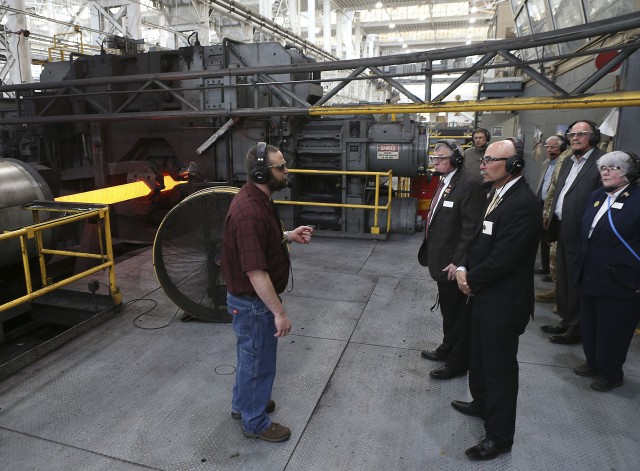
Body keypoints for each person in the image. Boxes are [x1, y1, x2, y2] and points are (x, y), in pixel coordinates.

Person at [453, 138, 541, 461]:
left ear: (514, 165)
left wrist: (469, 280)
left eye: (490, 160)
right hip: (482, 296)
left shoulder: (522, 204)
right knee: (478, 358)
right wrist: (463, 266)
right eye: (484, 159)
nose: (483, 164)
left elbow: (505, 259)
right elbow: (478, 237)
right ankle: (481, 403)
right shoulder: (496, 194)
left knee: (500, 371)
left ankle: (500, 436)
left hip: (502, 304)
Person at [221, 142, 313, 443]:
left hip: (249, 303)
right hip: (253, 305)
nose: (286, 172)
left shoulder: (258, 200)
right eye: (280, 167)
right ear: (261, 172)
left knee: (249, 356)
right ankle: (255, 422)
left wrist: (287, 235)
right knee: (258, 362)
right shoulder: (248, 212)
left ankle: (243, 404)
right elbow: (256, 272)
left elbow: (262, 240)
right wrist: (279, 313)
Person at [573, 151, 640, 392]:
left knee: (613, 330)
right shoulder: (597, 196)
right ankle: (593, 362)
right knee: (590, 324)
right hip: (591, 273)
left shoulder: (637, 199)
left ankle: (611, 373)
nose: (606, 172)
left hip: (621, 279)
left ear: (630, 172)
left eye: (614, 167)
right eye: (603, 168)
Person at [419, 140, 485, 379]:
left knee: (458, 316)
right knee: (449, 310)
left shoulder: (469, 184)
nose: (436, 162)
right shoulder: (446, 180)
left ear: (456, 159)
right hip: (441, 259)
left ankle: (457, 363)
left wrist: (459, 262)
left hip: (452, 264)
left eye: (442, 158)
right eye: (434, 158)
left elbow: (471, 229)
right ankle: (447, 347)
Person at [542, 121, 603, 344]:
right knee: (564, 279)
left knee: (577, 281)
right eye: (572, 134)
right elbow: (559, 189)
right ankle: (566, 320)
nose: (575, 138)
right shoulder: (567, 160)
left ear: (594, 137)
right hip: (562, 227)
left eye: (582, 134)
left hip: (583, 231)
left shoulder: (600, 162)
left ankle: (577, 328)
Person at [534, 135, 565, 276]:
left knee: (552, 237)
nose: (549, 150)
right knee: (543, 235)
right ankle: (545, 266)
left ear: (562, 147)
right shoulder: (546, 163)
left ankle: (554, 272)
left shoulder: (565, 164)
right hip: (542, 204)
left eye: (553, 147)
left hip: (555, 205)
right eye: (547, 147)